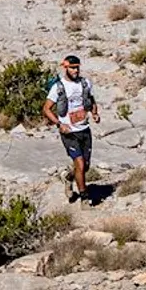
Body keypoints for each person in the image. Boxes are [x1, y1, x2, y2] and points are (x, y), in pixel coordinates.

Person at [43, 54, 98, 203]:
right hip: (69, 132)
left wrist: (94, 113)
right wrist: (60, 124)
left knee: (85, 167)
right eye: (72, 68)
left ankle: (69, 178)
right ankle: (84, 197)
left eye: (77, 68)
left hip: (84, 129)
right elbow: (47, 109)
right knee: (79, 163)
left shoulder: (85, 83)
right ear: (65, 68)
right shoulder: (58, 87)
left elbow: (91, 99)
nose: (75, 71)